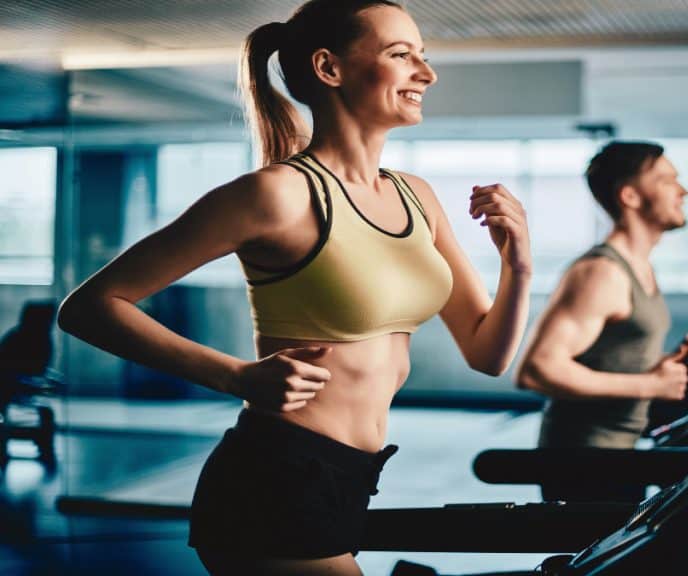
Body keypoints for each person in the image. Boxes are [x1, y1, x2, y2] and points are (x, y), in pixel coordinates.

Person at [57, 1, 532, 574]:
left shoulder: (416, 196)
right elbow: (90, 307)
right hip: (275, 477)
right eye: (401, 55)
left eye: (423, 58)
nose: (426, 74)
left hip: (353, 478)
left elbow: (488, 354)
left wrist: (518, 264)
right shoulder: (275, 195)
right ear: (329, 68)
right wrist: (236, 376)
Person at [515, 141, 688, 502]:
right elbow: (538, 369)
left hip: (618, 452)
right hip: (585, 460)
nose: (682, 191)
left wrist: (668, 367)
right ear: (630, 196)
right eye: (667, 180)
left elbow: (612, 357)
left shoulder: (639, 267)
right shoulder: (602, 273)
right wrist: (651, 385)